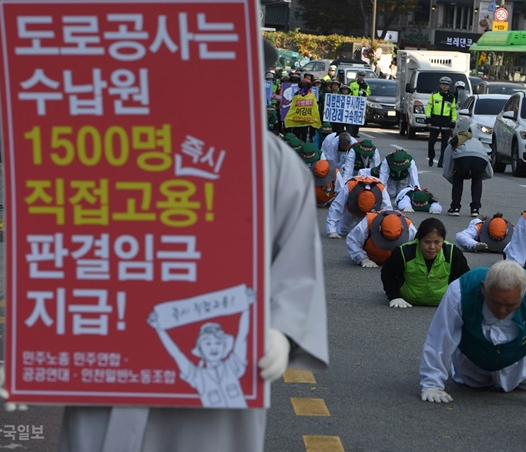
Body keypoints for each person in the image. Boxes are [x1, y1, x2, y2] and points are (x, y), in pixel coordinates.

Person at [50, 38, 330, 452]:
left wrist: (280, 331)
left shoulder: (271, 161)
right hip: (109, 361)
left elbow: (296, 265)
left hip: (217, 393)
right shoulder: (102, 145)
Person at [419, 260, 526, 410]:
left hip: (522, 371)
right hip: (471, 369)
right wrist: (432, 383)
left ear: (524, 293)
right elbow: (440, 337)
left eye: (510, 305)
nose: (502, 310)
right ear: (484, 288)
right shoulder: (459, 291)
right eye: (495, 302)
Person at [381, 218, 469, 308]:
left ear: (443, 240)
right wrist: (395, 297)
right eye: (427, 242)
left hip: (443, 303)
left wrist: (459, 298)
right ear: (419, 240)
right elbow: (387, 273)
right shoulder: (404, 252)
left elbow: (465, 278)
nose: (432, 247)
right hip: (407, 301)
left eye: (437, 242)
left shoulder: (452, 253)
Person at [442, 116, 492, 217]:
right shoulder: (477, 141)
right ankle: (475, 209)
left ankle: (455, 207)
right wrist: (483, 175)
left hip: (462, 160)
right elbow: (485, 158)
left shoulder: (454, 142)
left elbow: (447, 167)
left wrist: (453, 179)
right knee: (477, 178)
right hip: (480, 161)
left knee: (458, 177)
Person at [325, 175, 392, 238]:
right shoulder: (350, 186)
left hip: (370, 215)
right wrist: (331, 230)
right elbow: (337, 206)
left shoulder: (381, 189)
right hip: (352, 213)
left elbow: (388, 212)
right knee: (343, 231)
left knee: (367, 236)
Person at [346, 210, 416, 267]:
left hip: (397, 260)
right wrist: (363, 259)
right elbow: (352, 241)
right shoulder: (368, 222)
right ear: (379, 228)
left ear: (402, 229)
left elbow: (418, 246)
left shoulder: (409, 227)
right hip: (370, 257)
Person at [425, 76, 457, 168]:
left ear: (449, 86)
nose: (444, 86)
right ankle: (431, 157)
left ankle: (441, 161)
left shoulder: (451, 97)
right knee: (431, 143)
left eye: (447, 85)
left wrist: (453, 123)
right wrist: (428, 120)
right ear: (440, 85)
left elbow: (453, 111)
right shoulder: (434, 95)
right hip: (434, 123)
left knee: (444, 145)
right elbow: (429, 108)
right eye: (443, 84)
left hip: (446, 124)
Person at [348, 71, 371, 138]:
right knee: (352, 118)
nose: (361, 77)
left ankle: (355, 133)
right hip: (353, 103)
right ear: (358, 76)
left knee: (358, 119)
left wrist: (364, 93)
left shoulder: (366, 85)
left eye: (362, 76)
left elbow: (368, 93)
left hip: (361, 104)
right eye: (360, 76)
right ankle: (351, 132)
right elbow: (349, 92)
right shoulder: (353, 84)